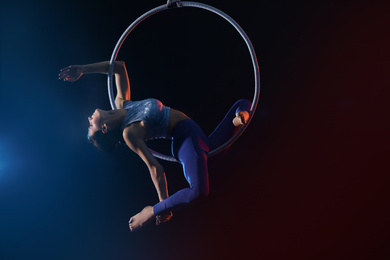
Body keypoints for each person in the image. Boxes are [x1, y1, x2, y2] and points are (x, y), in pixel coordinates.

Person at [59, 61, 251, 231]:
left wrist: (82, 69)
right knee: (199, 191)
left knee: (240, 108)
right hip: (184, 138)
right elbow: (155, 168)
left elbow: (118, 67)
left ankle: (238, 119)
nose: (89, 119)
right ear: (105, 129)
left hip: (193, 133)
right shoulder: (129, 133)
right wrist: (161, 206)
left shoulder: (122, 103)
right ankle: (150, 211)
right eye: (91, 125)